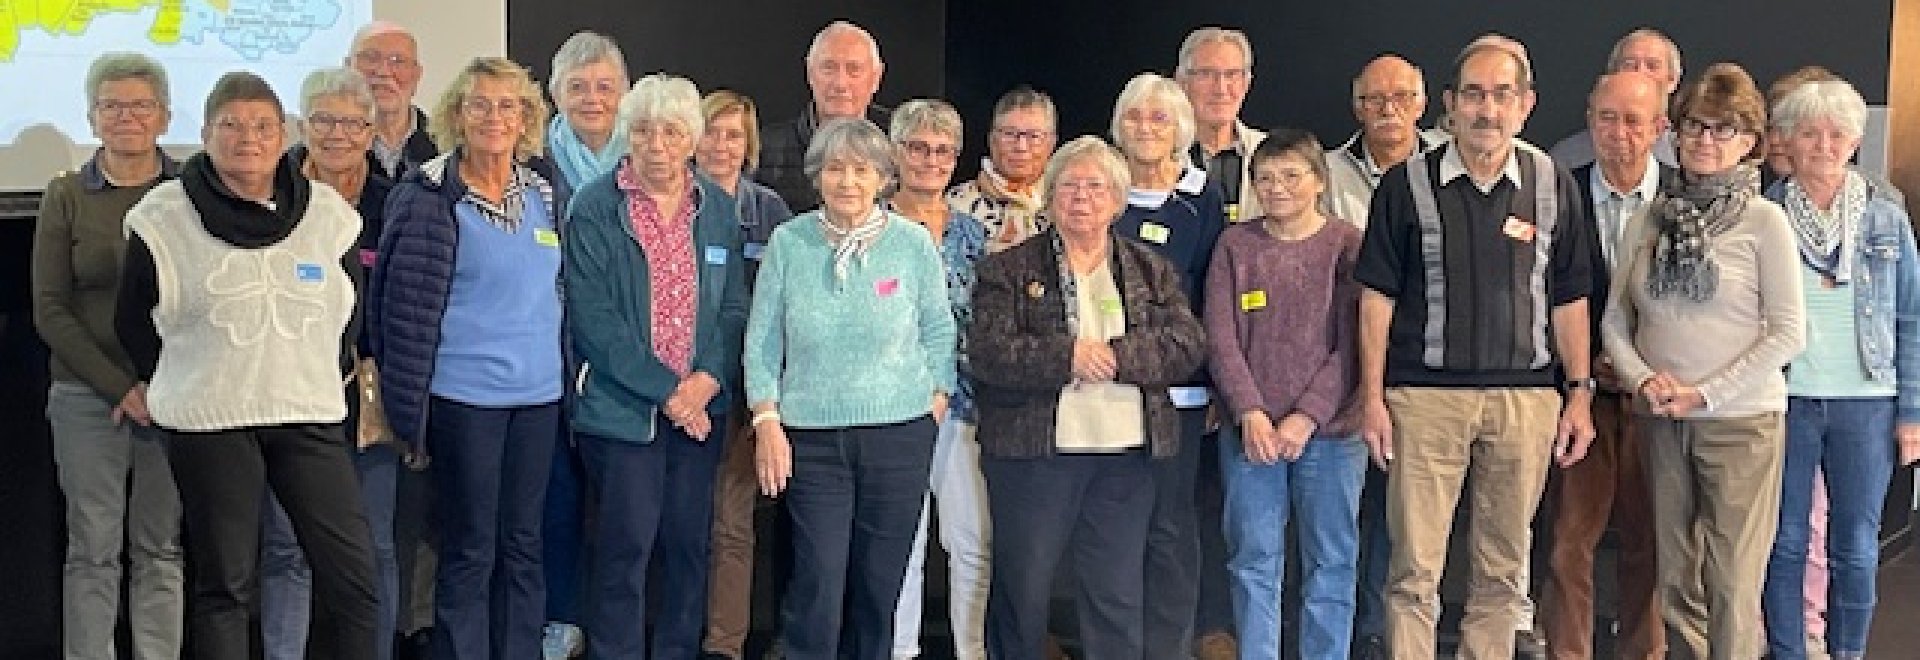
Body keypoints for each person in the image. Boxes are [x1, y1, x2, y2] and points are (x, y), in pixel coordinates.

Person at [114, 70, 378, 660]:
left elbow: (348, 311)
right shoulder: (163, 219)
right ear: (205, 133)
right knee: (225, 586)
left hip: (305, 411)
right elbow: (134, 322)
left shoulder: (327, 215)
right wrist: (188, 377)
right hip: (211, 419)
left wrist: (309, 368)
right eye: (230, 125)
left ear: (283, 133)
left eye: (262, 126)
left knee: (353, 579)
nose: (248, 138)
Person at [1351, 36, 1597, 660]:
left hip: (1526, 403)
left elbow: (1570, 298)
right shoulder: (1404, 185)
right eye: (1475, 95)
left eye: (1502, 95)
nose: (1488, 110)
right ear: (1450, 103)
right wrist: (1373, 399)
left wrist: (1578, 396)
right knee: (1414, 572)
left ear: (1527, 104)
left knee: (1503, 571)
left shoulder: (1554, 183)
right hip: (1424, 402)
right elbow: (1375, 298)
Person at [969, 135, 1206, 660]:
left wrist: (1120, 356)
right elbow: (987, 353)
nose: (1081, 197)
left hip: (1124, 459)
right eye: (1069, 186)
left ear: (1118, 201)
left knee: (1115, 596)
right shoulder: (1007, 269)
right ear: (1049, 198)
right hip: (1035, 458)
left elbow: (1187, 344)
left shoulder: (1150, 269)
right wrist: (1067, 357)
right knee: (1023, 593)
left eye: (1095, 187)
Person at [1600, 62, 1806, 660]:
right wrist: (1644, 382)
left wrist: (1705, 394)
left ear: (1749, 143)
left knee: (1732, 583)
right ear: (1676, 133)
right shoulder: (1650, 216)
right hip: (1661, 421)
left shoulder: (1766, 221)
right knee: (1675, 578)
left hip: (1741, 425)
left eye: (1723, 130)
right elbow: (1616, 320)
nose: (1705, 142)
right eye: (1695, 127)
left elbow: (1789, 333)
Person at [369, 56, 570, 660]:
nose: (494, 117)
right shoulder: (426, 193)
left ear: (527, 117)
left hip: (539, 397)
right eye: (480, 104)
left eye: (508, 105)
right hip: (465, 400)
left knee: (524, 544)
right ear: (458, 113)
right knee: (471, 546)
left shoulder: (544, 191)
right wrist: (408, 410)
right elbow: (396, 311)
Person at [744, 117, 956, 660]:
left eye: (861, 170)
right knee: (817, 581)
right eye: (835, 169)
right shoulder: (789, 243)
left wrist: (936, 397)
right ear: (818, 176)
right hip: (812, 439)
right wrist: (766, 419)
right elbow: (762, 340)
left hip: (899, 436)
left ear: (882, 177)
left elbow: (939, 327)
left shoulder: (911, 244)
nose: (847, 182)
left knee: (877, 586)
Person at [562, 73, 749, 660]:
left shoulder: (717, 210)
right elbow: (594, 320)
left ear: (692, 138)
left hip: (701, 411)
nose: (657, 145)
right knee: (625, 548)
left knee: (688, 547)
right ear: (627, 135)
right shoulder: (594, 208)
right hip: (624, 413)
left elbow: (734, 307)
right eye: (643, 130)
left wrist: (706, 382)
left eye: (672, 131)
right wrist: (670, 393)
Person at [1760, 77, 1920, 660]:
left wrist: (1912, 414)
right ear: (1788, 142)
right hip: (1786, 399)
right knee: (1786, 541)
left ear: (1855, 141)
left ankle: (1848, 651)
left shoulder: (1885, 220)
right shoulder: (1764, 213)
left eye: (1836, 134)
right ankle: (1788, 651)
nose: (1824, 146)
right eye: (1809, 133)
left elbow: (1910, 320)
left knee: (1856, 545)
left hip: (1867, 402)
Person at [32, 51, 184, 660]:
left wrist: (156, 386)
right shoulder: (65, 195)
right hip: (84, 397)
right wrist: (121, 388)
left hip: (175, 396)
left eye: (140, 106)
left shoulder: (187, 194)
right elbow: (49, 308)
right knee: (92, 550)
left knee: (162, 549)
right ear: (92, 118)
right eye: (112, 106)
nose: (126, 117)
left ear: (164, 116)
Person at [259, 66, 403, 660]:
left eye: (350, 123)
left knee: (376, 547)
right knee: (286, 548)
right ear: (301, 124)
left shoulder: (395, 200)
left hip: (369, 396)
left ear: (371, 132)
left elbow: (408, 302)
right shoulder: (266, 192)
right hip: (286, 394)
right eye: (323, 120)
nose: (336, 134)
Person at [1204, 128, 1365, 660]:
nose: (1277, 188)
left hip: (1333, 434)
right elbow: (1221, 336)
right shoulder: (1235, 245)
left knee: (1331, 561)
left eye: (1291, 176)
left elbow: (1354, 345)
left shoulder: (1346, 244)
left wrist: (1306, 418)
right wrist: (1249, 411)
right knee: (1254, 560)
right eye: (1265, 178)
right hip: (1251, 434)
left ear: (1319, 181)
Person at [1540, 71, 1677, 660]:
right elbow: (1538, 290)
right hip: (1579, 395)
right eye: (1606, 118)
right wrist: (1580, 363)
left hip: (1659, 397)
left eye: (1634, 121)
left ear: (1659, 128)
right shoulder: (1555, 192)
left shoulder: (1683, 198)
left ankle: (1643, 652)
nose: (1619, 134)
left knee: (1651, 544)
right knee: (1569, 542)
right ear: (1589, 119)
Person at [1105, 71, 1227, 660]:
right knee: (1111, 531)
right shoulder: (1097, 186)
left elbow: (1215, 296)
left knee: (1172, 531)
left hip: (1180, 396)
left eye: (1158, 118)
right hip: (1105, 392)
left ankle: (1169, 649)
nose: (1146, 128)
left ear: (1180, 127)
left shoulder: (1203, 198)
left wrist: (1215, 385)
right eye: (1134, 116)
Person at [884, 99, 991, 660]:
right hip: (890, 406)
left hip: (964, 404)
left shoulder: (973, 233)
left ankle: (971, 652)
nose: (931, 160)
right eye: (918, 148)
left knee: (971, 541)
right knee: (904, 541)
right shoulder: (871, 224)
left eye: (944, 150)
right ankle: (900, 652)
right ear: (896, 153)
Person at [536, 29, 630, 660]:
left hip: (629, 352)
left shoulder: (650, 158)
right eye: (577, 88)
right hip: (549, 345)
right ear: (554, 95)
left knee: (628, 502)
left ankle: (620, 625)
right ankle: (561, 616)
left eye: (604, 86)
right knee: (556, 492)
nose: (592, 99)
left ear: (625, 92)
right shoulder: (532, 160)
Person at [696, 88, 797, 660]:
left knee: (734, 524)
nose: (722, 146)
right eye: (711, 132)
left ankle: (724, 645)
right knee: (690, 523)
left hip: (752, 393)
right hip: (686, 387)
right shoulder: (676, 204)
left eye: (734, 134)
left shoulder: (771, 212)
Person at [758, 21, 891, 211]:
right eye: (829, 68)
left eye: (854, 69)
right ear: (810, 73)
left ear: (876, 77)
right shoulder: (765, 148)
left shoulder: (900, 143)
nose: (840, 83)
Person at [1325, 55, 1449, 230]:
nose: (1388, 110)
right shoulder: (1326, 174)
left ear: (1421, 105)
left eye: (1401, 97)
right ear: (1358, 109)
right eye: (1375, 98)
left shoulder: (1451, 159)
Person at [1547, 29, 1682, 169]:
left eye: (1652, 66)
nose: (1640, 72)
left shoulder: (1687, 155)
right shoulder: (1569, 157)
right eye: (1629, 64)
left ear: (1672, 80)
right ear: (1612, 74)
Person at [948, 86, 1057, 252]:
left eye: (1034, 136)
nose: (1021, 147)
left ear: (1051, 143)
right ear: (992, 140)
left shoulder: (1066, 203)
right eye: (1009, 134)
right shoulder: (955, 205)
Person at [1176, 26, 1266, 224]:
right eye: (1207, 74)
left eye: (1232, 74)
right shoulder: (1161, 155)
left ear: (1246, 83)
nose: (1221, 89)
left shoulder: (1271, 152)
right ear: (1182, 82)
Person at [347, 21, 437, 181]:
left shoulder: (447, 147)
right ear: (348, 68)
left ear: (417, 74)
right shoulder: (322, 150)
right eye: (370, 58)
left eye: (398, 60)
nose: (384, 72)